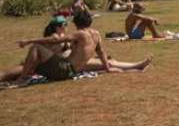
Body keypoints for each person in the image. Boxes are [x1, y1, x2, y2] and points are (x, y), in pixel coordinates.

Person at [11, 12, 149, 84]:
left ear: (76, 24)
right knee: (108, 61)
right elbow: (101, 52)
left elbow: (56, 40)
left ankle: (22, 78)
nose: (65, 26)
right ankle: (137, 66)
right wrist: (107, 68)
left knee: (35, 47)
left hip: (64, 70)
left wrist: (29, 40)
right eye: (63, 24)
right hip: (71, 70)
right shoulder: (96, 34)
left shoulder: (79, 34)